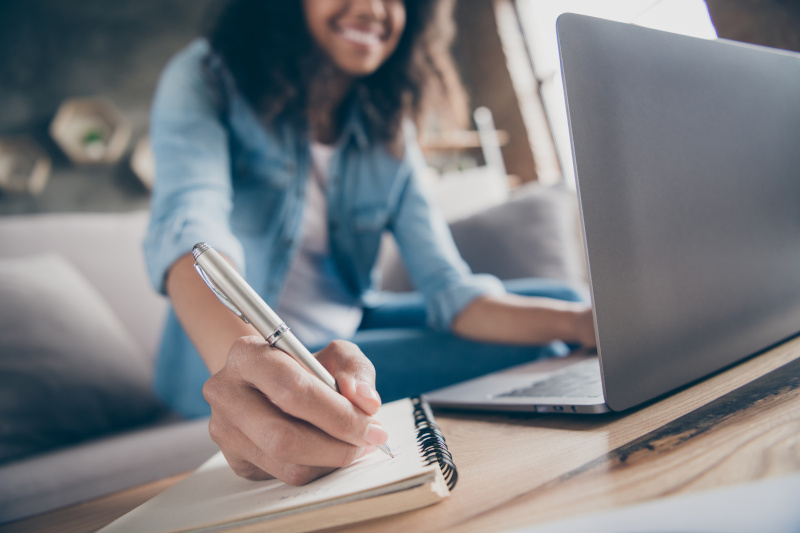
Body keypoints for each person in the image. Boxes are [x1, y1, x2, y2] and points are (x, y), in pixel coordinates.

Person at [144, 0, 595, 486]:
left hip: (353, 322)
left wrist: (582, 322)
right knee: (535, 344)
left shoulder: (388, 127)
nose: (372, 7)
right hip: (232, 355)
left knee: (565, 301)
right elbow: (190, 221)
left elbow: (450, 288)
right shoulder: (208, 75)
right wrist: (245, 368)